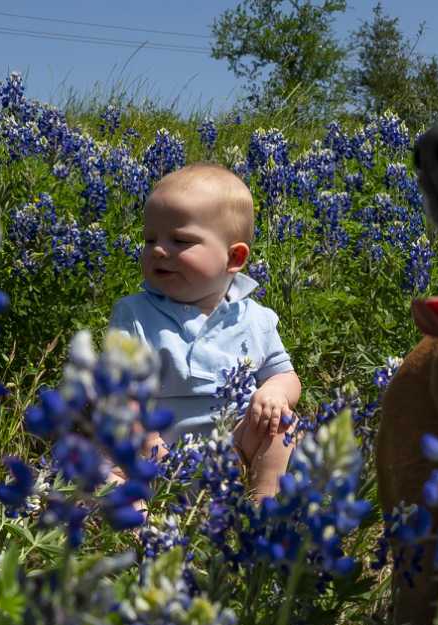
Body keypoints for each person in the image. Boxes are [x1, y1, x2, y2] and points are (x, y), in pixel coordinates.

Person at [107, 164, 301, 499]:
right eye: (149, 239)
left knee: (283, 424)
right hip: (152, 456)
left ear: (234, 257)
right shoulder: (134, 313)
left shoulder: (256, 318)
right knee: (95, 475)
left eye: (180, 240)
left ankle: (260, 507)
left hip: (232, 454)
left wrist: (275, 393)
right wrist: (150, 445)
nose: (158, 250)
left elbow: (285, 375)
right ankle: (142, 531)